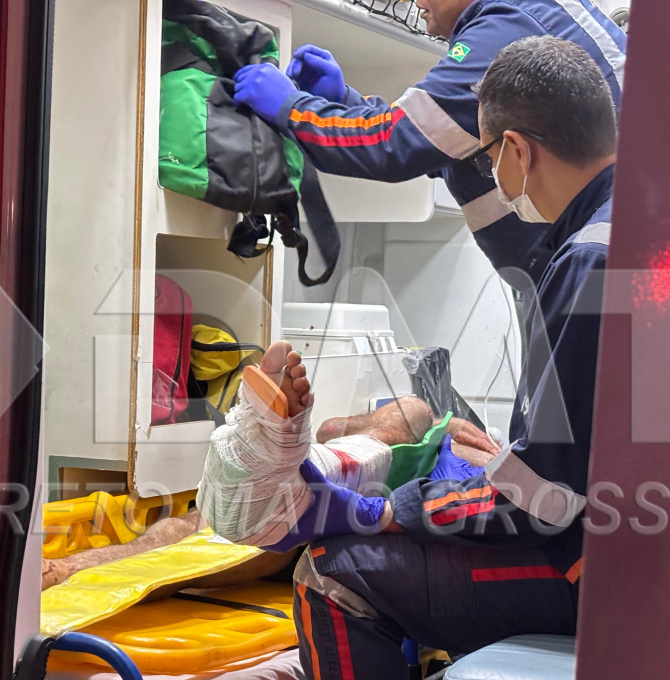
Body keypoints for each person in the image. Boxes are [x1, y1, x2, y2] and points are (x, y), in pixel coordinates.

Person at [263, 37, 618, 679]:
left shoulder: (585, 264)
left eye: (486, 158)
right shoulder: (630, 226)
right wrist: (505, 465)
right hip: (640, 544)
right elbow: (582, 455)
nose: (491, 177)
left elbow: (542, 506)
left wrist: (387, 510)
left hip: (601, 574)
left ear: (515, 150)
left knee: (330, 573)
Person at [40, 345, 499, 591]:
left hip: (399, 514)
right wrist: (447, 423)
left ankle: (274, 464)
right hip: (403, 464)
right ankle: (296, 457)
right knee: (412, 411)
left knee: (251, 529)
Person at [231, 0, 625, 286]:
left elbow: (394, 146)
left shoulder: (505, 28)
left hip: (585, 274)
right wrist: (343, 101)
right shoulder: (536, 12)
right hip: (589, 268)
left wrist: (290, 106)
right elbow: (448, 147)